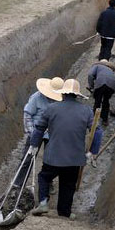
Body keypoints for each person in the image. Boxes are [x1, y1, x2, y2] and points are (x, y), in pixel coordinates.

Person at [30, 79, 102, 219]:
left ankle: (43, 202)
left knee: (44, 177)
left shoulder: (51, 109)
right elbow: (97, 131)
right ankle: (65, 212)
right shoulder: (86, 111)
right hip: (75, 158)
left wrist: (34, 145)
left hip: (53, 156)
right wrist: (93, 152)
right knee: (68, 184)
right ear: (77, 95)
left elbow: (39, 128)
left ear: (62, 94)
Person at [14, 77, 64, 188]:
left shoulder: (62, 100)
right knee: (28, 159)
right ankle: (17, 184)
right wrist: (32, 134)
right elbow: (27, 115)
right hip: (36, 131)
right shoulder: (36, 97)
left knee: (50, 160)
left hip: (52, 134)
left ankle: (48, 182)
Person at [87, 59, 115, 126]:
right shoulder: (110, 69)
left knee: (97, 101)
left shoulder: (97, 66)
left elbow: (90, 75)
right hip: (112, 86)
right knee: (106, 101)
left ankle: (93, 120)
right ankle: (105, 120)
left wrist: (91, 86)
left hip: (101, 83)